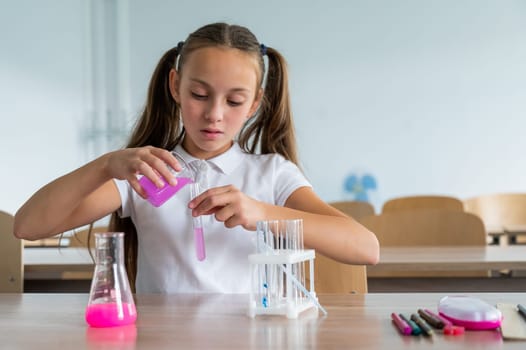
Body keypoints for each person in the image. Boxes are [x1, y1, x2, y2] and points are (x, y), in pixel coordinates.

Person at [14, 22, 379, 293]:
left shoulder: (272, 175)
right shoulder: (148, 173)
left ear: (254, 103)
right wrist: (106, 165)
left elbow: (366, 247)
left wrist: (262, 213)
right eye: (199, 94)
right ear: (175, 85)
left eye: (234, 101)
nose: (214, 114)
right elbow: (28, 226)